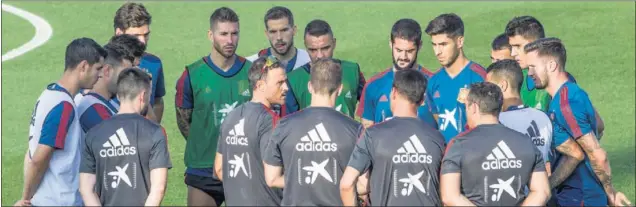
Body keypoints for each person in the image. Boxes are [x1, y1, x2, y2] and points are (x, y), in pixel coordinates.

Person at [525, 37, 631, 206]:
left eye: (533, 67)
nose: (529, 73)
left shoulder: (565, 104)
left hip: (581, 197)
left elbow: (598, 155)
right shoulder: (572, 92)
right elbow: (599, 125)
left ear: (552, 65)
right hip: (578, 194)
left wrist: (610, 192)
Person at [175, 7, 252, 207]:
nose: (230, 40)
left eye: (234, 33)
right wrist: (204, 144)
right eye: (223, 34)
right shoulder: (192, 75)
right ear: (211, 35)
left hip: (244, 168)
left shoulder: (252, 72)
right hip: (203, 170)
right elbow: (184, 121)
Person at [15, 38, 106, 206]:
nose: (100, 75)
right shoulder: (63, 105)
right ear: (84, 66)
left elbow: (30, 153)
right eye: (98, 68)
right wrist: (25, 198)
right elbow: (40, 157)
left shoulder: (47, 95)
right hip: (58, 200)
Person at [263, 58, 361, 206]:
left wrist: (303, 180)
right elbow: (363, 185)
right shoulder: (354, 129)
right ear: (340, 89)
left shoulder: (284, 126)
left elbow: (271, 179)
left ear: (310, 86)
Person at [340, 69, 445, 206]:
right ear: (422, 100)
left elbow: (346, 185)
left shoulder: (373, 135)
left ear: (394, 92)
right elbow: (446, 192)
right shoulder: (437, 138)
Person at [440, 82, 550, 206]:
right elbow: (542, 191)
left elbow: (449, 196)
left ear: (474, 108)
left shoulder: (458, 145)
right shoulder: (526, 142)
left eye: (467, 107)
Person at [79, 68, 172, 206]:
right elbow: (158, 188)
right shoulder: (155, 132)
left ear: (118, 95)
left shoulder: (93, 134)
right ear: (143, 95)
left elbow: (86, 189)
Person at [214, 56, 287, 206]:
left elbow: (219, 168)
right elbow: (273, 176)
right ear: (260, 85)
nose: (286, 87)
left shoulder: (231, 116)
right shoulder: (270, 120)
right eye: (280, 83)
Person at [357, 18, 437, 129]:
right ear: (391, 44)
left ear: (420, 46)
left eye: (409, 51)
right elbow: (367, 131)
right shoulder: (373, 85)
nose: (403, 57)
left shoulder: (434, 83)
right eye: (398, 50)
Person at [424, 13, 487, 142]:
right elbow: (437, 120)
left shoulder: (480, 77)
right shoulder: (433, 82)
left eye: (443, 44)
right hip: (446, 157)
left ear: (459, 42)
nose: (437, 52)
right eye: (434, 45)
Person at [285, 19, 366, 118]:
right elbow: (290, 123)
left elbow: (370, 107)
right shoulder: (293, 80)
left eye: (325, 48)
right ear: (306, 47)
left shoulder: (352, 71)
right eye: (313, 50)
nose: (320, 55)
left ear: (334, 43)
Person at [485, 59, 553, 174]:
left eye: (489, 86)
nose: (487, 92)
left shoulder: (498, 121)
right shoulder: (543, 118)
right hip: (540, 187)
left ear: (503, 86)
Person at [113, 2, 166, 123]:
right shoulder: (102, 63)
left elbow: (158, 100)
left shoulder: (154, 63)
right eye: (136, 35)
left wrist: (153, 128)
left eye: (146, 35)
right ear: (119, 33)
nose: (142, 41)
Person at [76, 40, 135, 133]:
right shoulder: (92, 109)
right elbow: (124, 142)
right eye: (125, 73)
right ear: (107, 71)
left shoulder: (111, 102)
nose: (129, 80)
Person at [246, 6, 310, 73]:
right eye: (273, 32)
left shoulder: (309, 60)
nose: (279, 37)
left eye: (284, 30)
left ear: (294, 30)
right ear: (267, 34)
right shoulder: (251, 64)